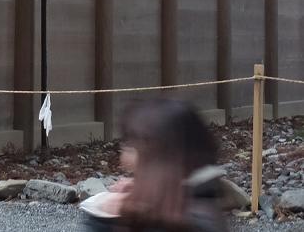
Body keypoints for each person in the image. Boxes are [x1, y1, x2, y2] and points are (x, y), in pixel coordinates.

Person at [80, 98, 228, 232]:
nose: (123, 160)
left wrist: (106, 219)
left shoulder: (190, 221)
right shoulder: (199, 196)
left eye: (131, 145)